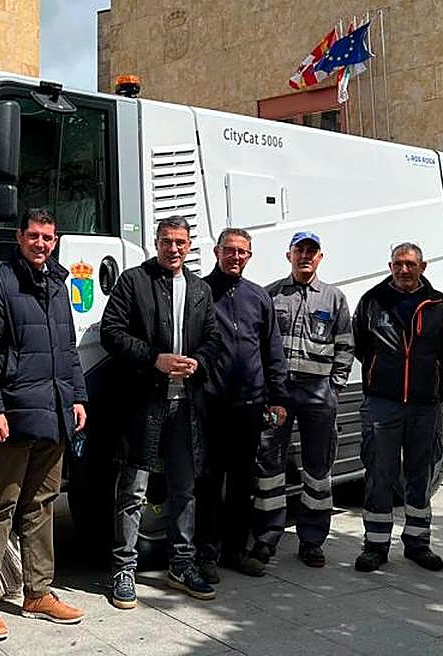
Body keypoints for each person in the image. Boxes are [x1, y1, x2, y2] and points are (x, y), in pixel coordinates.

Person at [0, 209, 87, 642]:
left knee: (42, 503)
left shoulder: (58, 282)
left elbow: (68, 347)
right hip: (15, 413)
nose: (41, 244)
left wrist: (77, 397)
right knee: (1, 504)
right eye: (34, 236)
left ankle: (38, 592)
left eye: (48, 238)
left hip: (54, 411)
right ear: (18, 237)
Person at [100, 215, 220, 608]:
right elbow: (111, 332)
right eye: (167, 241)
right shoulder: (134, 281)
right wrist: (155, 359)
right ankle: (123, 569)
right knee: (132, 490)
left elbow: (213, 339)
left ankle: (181, 565)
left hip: (186, 407)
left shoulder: (200, 289)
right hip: (144, 404)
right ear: (156, 242)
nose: (174, 249)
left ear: (190, 245)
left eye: (180, 242)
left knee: (184, 489)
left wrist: (199, 362)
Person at [351, 242, 443, 573]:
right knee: (379, 474)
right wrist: (383, 372)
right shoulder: (372, 301)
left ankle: (418, 543)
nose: (403, 269)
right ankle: (375, 545)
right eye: (398, 263)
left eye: (410, 264)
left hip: (424, 405)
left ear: (422, 267)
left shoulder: (438, 304)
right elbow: (360, 344)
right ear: (390, 266)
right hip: (382, 404)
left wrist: (427, 372)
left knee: (420, 474)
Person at [195, 228, 288, 582]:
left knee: (242, 482)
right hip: (211, 404)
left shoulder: (258, 297)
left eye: (242, 252)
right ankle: (206, 554)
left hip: (250, 405)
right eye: (230, 250)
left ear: (249, 256)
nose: (235, 257)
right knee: (208, 482)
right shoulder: (201, 292)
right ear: (217, 252)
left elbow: (272, 350)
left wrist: (278, 398)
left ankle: (235, 551)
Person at [256, 231, 353, 568]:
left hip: (317, 394)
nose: (306, 256)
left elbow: (345, 346)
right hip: (279, 396)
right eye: (300, 250)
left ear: (320, 257)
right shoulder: (271, 295)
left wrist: (334, 388)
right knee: (269, 465)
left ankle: (312, 540)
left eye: (312, 251)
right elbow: (260, 345)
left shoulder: (334, 298)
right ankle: (267, 537)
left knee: (317, 468)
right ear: (290, 255)